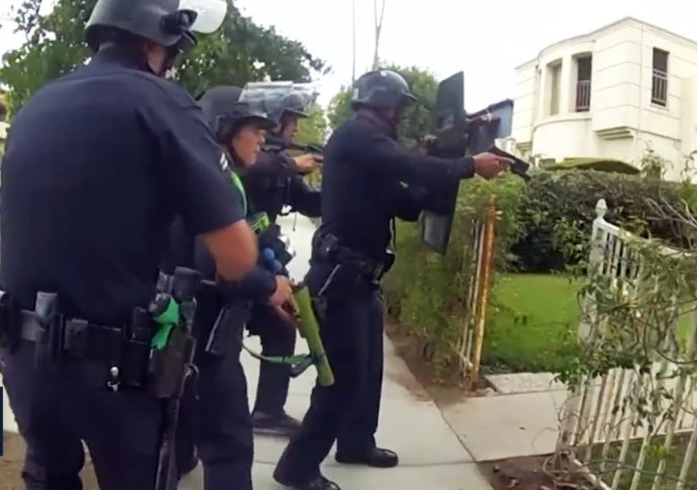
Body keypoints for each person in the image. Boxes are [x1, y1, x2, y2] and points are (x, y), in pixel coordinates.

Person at [0, 1, 260, 489]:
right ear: (156, 41)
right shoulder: (162, 101)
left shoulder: (39, 103)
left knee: (48, 474)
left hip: (23, 352)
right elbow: (238, 258)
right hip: (110, 365)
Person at [272, 69, 512, 490]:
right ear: (386, 105)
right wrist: (469, 164)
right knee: (341, 379)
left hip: (360, 278)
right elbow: (405, 166)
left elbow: (406, 205)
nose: (402, 117)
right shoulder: (355, 136)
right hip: (340, 278)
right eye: (400, 109)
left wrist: (443, 163)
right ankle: (296, 468)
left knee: (366, 372)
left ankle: (355, 443)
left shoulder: (371, 152)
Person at [165, 85, 295, 490]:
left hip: (187, 334)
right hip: (205, 337)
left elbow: (250, 231)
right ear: (225, 128)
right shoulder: (209, 178)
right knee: (228, 446)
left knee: (178, 437)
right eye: (254, 129)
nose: (262, 138)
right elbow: (215, 267)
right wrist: (267, 286)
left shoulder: (215, 175)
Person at [237, 83, 322, 437]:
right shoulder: (246, 156)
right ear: (273, 120)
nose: (296, 129)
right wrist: (290, 166)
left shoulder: (279, 164)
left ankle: (269, 411)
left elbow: (312, 204)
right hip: (229, 263)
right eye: (291, 121)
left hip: (262, 262)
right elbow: (248, 172)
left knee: (282, 326)